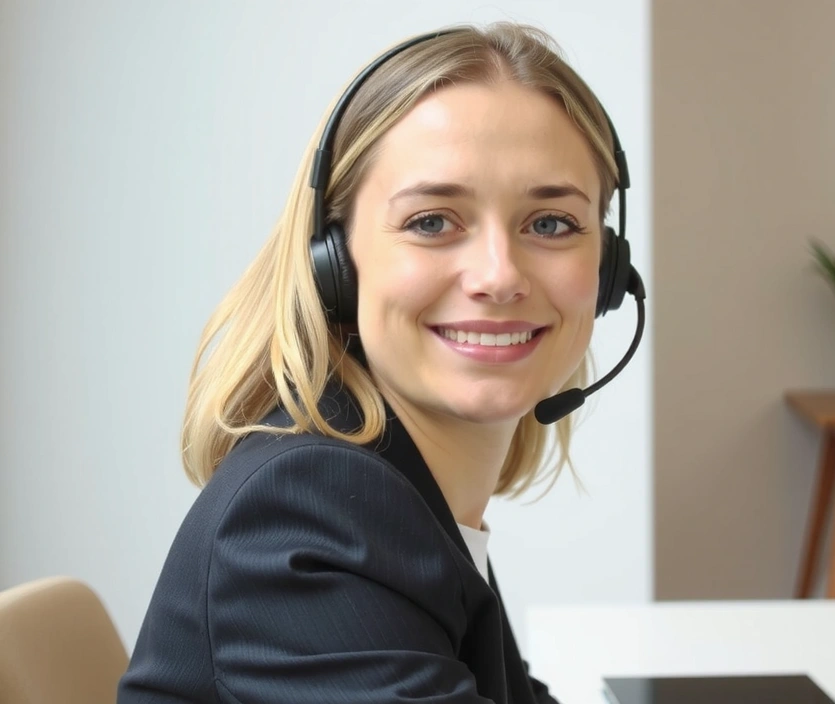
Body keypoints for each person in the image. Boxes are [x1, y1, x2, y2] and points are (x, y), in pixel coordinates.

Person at [118, 21, 644, 704]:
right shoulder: (306, 515)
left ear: (606, 272)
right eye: (432, 221)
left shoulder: (400, 497)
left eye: (550, 223)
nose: (498, 276)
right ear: (336, 262)